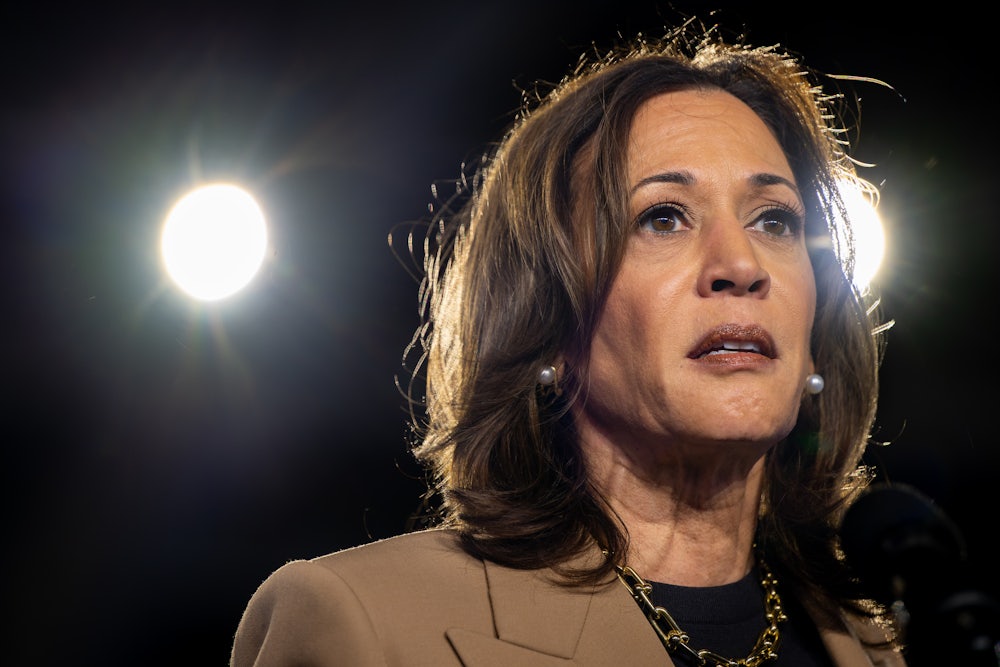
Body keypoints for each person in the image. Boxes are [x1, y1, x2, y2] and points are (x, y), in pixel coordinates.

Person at [230, 18, 906, 667]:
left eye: (774, 219)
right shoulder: (362, 626)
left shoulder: (898, 634)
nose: (742, 264)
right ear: (548, 324)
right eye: (663, 217)